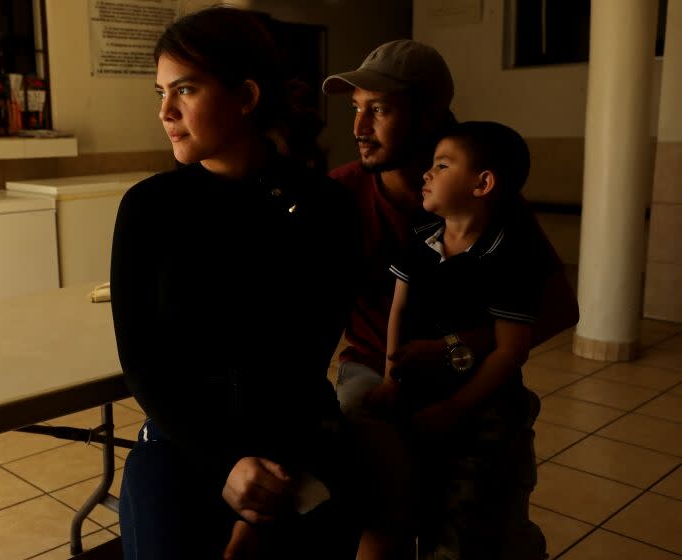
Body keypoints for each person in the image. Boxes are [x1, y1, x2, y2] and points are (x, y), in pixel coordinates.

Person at [110, 7, 363, 559]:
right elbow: (143, 362)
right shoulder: (148, 209)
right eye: (160, 93)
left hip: (294, 437)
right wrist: (225, 463)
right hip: (183, 439)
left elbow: (303, 358)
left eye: (185, 90)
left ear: (246, 96)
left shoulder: (325, 209)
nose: (166, 111)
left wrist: (263, 499)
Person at [322, 40, 579, 559]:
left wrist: (457, 349)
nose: (359, 128)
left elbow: (557, 306)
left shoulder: (486, 202)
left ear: (429, 114)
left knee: (482, 527)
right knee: (379, 512)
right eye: (356, 109)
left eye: (380, 110)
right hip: (374, 371)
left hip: (476, 376)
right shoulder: (338, 197)